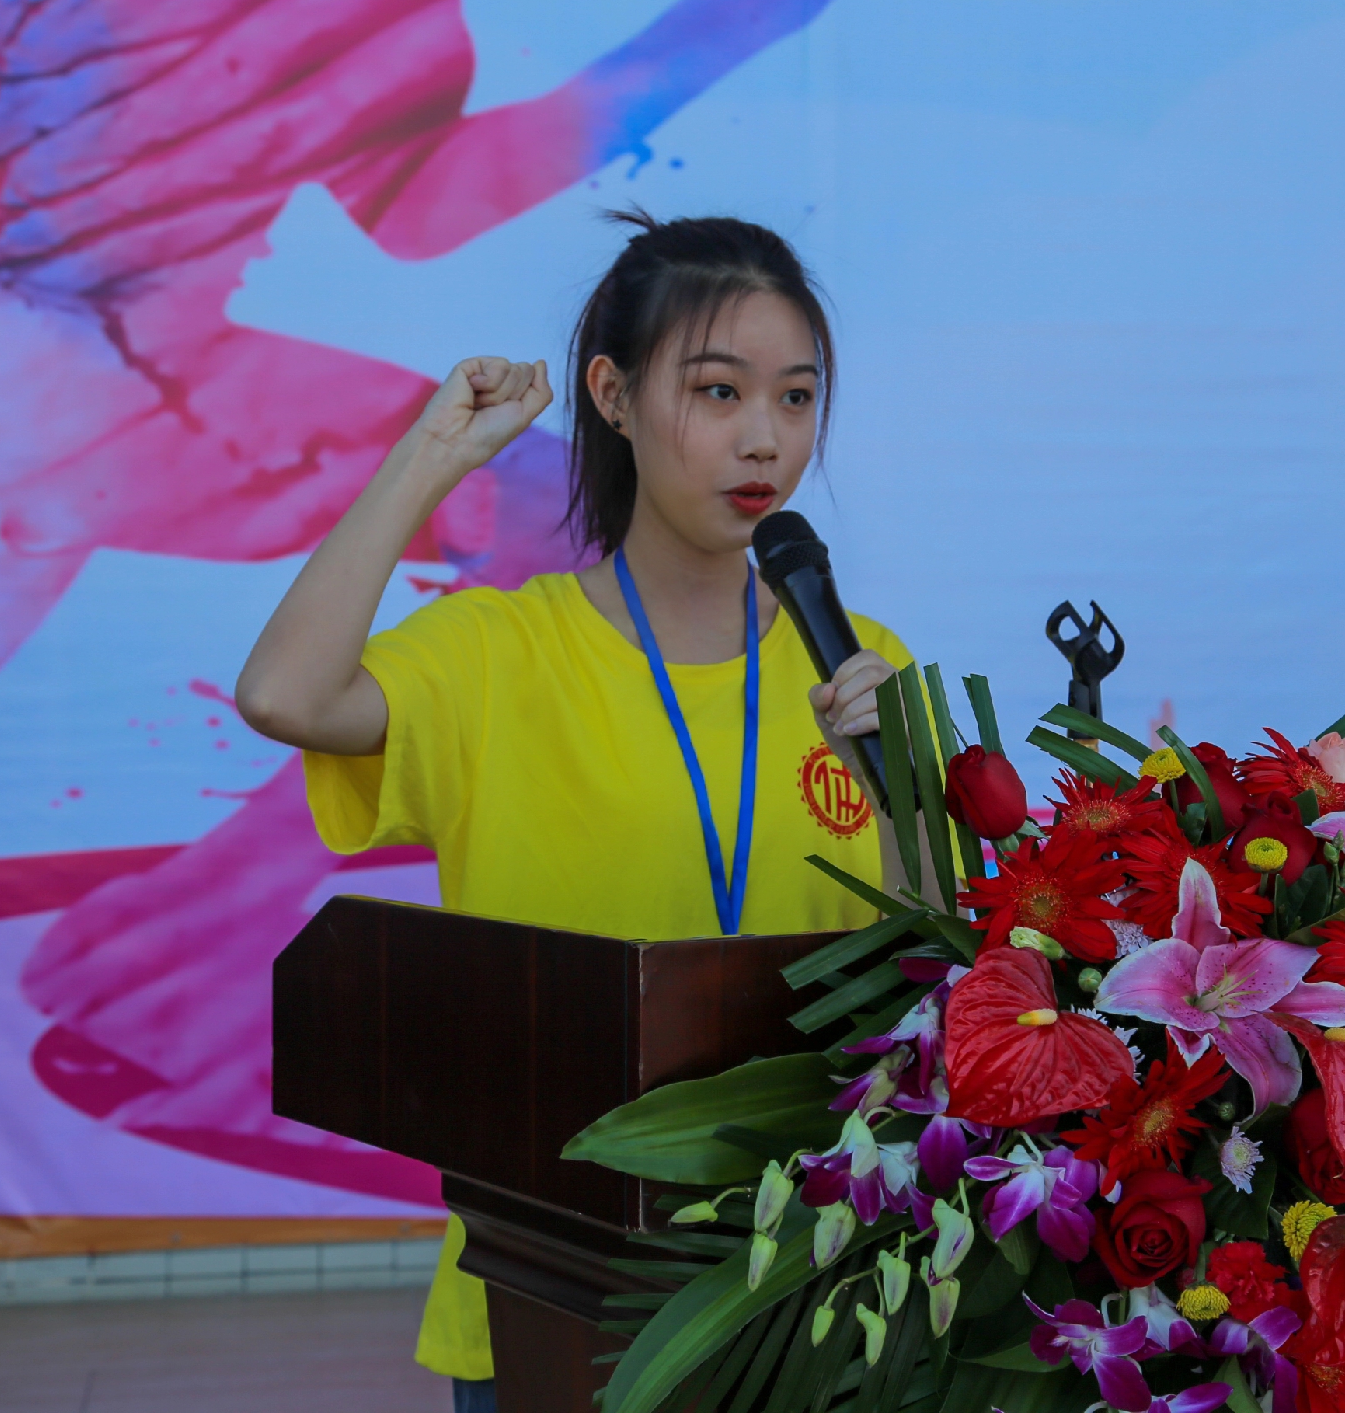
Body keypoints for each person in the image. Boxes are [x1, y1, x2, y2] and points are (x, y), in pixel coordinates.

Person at [235, 212, 916, 1411]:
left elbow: (933, 970)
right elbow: (285, 693)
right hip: (550, 1290)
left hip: (814, 1290)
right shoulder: (498, 651)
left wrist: (892, 789)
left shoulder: (859, 670)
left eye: (796, 397)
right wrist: (429, 457)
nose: (764, 437)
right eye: (717, 391)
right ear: (611, 395)